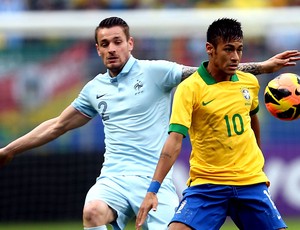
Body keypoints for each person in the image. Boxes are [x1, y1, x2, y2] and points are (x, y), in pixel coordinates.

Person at [0, 17, 298, 230]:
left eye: (118, 41)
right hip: (113, 178)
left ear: (130, 43)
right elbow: (57, 126)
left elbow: (210, 69)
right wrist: (9, 150)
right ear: (98, 50)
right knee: (91, 212)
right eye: (105, 44)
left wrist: (263, 67)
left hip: (156, 179)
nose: (112, 48)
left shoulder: (157, 72)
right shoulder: (94, 89)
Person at [136, 18, 289, 230]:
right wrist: (153, 190)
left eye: (239, 49)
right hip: (207, 186)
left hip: (249, 183)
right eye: (228, 49)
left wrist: (258, 158)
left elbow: (252, 121)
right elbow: (174, 141)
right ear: (210, 49)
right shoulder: (189, 89)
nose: (235, 57)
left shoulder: (249, 83)